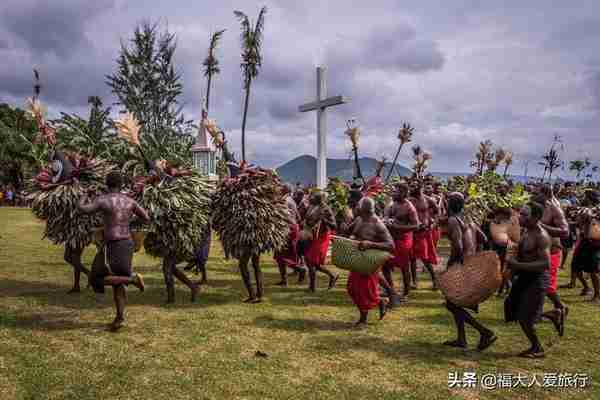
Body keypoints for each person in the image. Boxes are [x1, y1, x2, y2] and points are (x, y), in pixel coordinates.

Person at [78, 171, 148, 331]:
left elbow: (83, 209)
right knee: (118, 281)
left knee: (95, 278)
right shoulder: (130, 201)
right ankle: (119, 318)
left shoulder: (103, 200)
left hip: (114, 245)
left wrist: (86, 194)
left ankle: (133, 280)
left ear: (106, 183)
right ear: (121, 184)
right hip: (127, 243)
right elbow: (146, 217)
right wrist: (127, 220)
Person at [504, 202, 563, 358]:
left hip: (537, 279)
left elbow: (545, 263)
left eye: (524, 215)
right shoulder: (525, 231)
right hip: (524, 276)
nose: (520, 217)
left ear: (536, 217)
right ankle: (552, 315)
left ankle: (537, 348)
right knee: (512, 308)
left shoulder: (541, 236)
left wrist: (517, 264)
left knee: (525, 318)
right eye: (521, 213)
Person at [443, 192, 497, 351]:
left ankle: (485, 332)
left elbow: (458, 246)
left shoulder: (453, 220)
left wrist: (454, 266)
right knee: (455, 303)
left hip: (462, 266)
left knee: (452, 305)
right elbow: (484, 239)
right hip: (470, 265)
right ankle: (462, 339)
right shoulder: (468, 220)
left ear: (450, 204)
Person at [347, 197, 395, 327]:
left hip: (370, 261)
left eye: (359, 206)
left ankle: (363, 319)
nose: (357, 208)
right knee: (352, 288)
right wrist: (351, 237)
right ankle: (380, 301)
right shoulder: (359, 219)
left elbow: (391, 245)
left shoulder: (377, 224)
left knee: (364, 290)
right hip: (357, 259)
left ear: (365, 209)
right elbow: (351, 232)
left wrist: (371, 244)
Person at [535, 185, 569, 325]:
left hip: (552, 252)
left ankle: (561, 307)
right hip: (540, 251)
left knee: (547, 286)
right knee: (538, 283)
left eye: (537, 192)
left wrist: (542, 226)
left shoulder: (554, 208)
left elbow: (565, 231)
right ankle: (538, 313)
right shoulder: (538, 208)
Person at [383, 183, 419, 299]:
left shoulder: (409, 208)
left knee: (404, 267)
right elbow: (386, 217)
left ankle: (406, 293)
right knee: (385, 265)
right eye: (393, 191)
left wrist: (398, 228)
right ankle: (390, 289)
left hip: (403, 240)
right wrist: (386, 221)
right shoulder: (392, 204)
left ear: (403, 193)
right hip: (390, 239)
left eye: (395, 192)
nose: (393, 193)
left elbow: (416, 226)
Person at [303, 190, 338, 292]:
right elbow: (309, 220)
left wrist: (324, 220)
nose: (311, 199)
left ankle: (312, 287)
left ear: (320, 199)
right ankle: (332, 275)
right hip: (313, 236)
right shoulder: (313, 207)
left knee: (310, 261)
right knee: (314, 263)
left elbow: (334, 226)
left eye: (314, 198)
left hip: (322, 237)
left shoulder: (326, 209)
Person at [409, 181, 439, 290]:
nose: (411, 188)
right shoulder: (409, 200)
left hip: (423, 233)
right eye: (410, 186)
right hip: (412, 232)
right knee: (411, 258)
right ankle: (414, 281)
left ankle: (435, 280)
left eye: (413, 186)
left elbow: (437, 211)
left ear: (419, 187)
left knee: (425, 258)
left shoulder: (428, 199)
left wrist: (433, 224)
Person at [274, 184, 306, 286]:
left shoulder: (286, 201)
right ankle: (284, 280)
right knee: (279, 255)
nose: (279, 190)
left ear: (285, 190)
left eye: (281, 188)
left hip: (288, 229)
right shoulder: (290, 200)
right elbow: (298, 217)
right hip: (291, 228)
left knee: (281, 255)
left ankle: (300, 269)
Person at [570, 210, 600, 303]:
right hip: (582, 249)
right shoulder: (582, 224)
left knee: (593, 273)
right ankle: (586, 288)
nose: (579, 218)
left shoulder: (594, 224)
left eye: (582, 216)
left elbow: (593, 237)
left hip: (591, 250)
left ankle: (597, 295)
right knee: (575, 269)